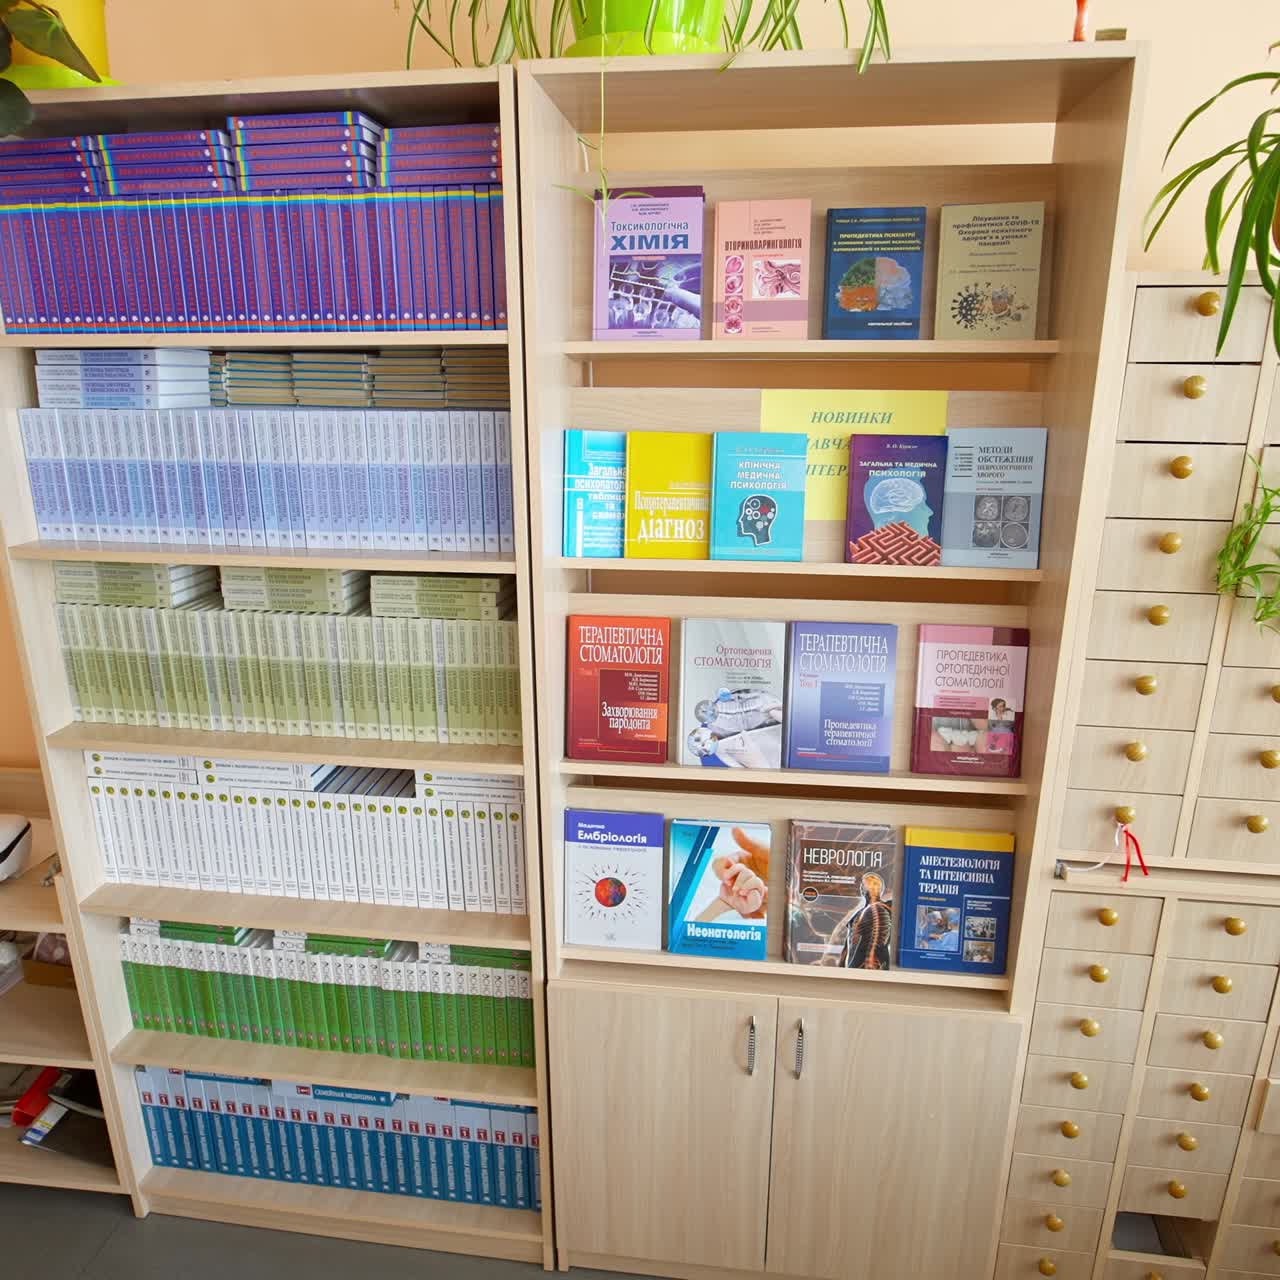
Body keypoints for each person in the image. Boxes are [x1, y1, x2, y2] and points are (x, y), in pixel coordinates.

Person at [823, 872, 892, 970]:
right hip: (853, 966)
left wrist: (870, 964)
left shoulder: (879, 909)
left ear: (870, 887)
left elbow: (879, 940)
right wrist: (842, 964)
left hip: (866, 969)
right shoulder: (861, 911)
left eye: (863, 885)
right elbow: (848, 942)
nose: (861, 887)